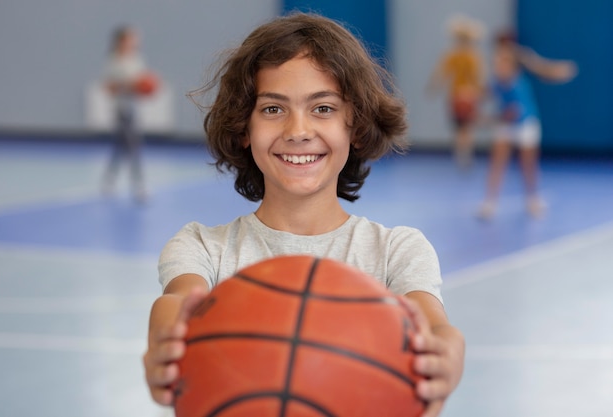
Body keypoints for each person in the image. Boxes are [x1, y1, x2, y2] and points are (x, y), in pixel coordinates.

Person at [143, 13, 464, 417]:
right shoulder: (203, 247)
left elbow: (432, 324)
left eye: (323, 108)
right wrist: (169, 339)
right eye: (273, 109)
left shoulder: (397, 250)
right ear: (244, 127)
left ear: (357, 126)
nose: (298, 130)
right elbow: (179, 301)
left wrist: (447, 351)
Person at [477, 30, 577, 220]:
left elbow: (540, 69)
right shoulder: (495, 81)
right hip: (506, 125)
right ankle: (489, 203)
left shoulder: (517, 80)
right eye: (496, 64)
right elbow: (484, 96)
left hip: (525, 123)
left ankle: (533, 199)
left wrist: (557, 71)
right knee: (497, 162)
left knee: (528, 165)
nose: (498, 66)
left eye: (502, 64)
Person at [427, 14, 486, 169]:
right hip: (469, 94)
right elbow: (478, 78)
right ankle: (466, 155)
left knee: (459, 128)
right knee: (468, 128)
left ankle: (461, 155)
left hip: (456, 95)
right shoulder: (474, 56)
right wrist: (480, 93)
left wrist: (433, 87)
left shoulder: (452, 55)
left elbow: (441, 73)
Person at [101, 25, 149, 203]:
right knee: (133, 147)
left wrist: (142, 87)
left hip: (134, 110)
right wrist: (128, 85)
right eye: (130, 39)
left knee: (119, 148)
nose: (134, 42)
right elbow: (109, 87)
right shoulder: (114, 61)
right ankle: (139, 186)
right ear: (121, 41)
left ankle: (109, 180)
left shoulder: (136, 59)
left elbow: (143, 83)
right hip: (122, 111)